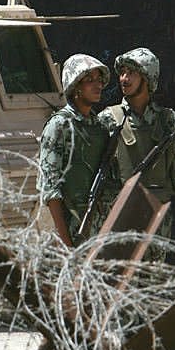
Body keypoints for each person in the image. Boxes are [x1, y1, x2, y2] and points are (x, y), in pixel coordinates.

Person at [99, 47, 175, 248]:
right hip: (120, 222)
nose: (124, 78)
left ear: (148, 78)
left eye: (131, 73)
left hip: (157, 221)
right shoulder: (108, 120)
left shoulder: (167, 121)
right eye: (122, 72)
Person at [38, 54, 120, 247]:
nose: (97, 85)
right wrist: (66, 244)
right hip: (73, 231)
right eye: (89, 80)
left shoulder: (99, 127)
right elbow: (50, 190)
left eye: (99, 80)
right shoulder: (60, 126)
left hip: (101, 231)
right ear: (75, 86)